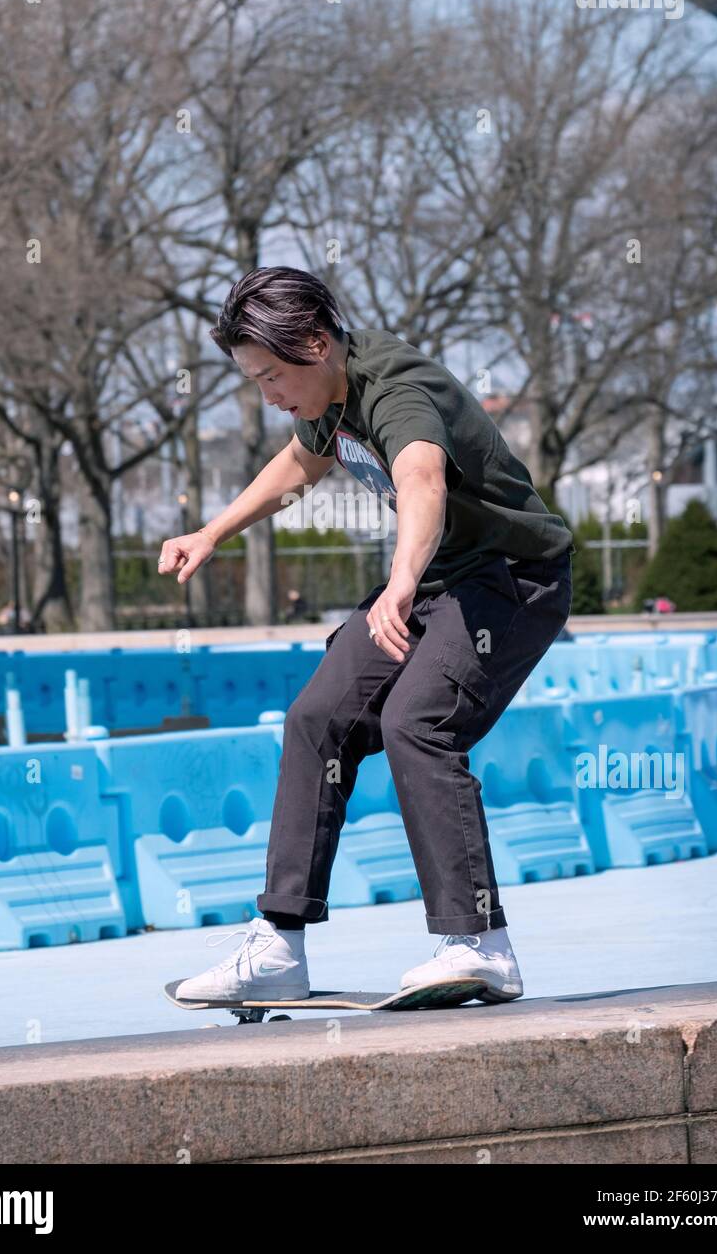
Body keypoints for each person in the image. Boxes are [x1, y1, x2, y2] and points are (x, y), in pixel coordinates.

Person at [158, 266, 575, 1004]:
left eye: (272, 376)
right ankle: (280, 943)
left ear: (317, 343)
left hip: (512, 580)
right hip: (438, 582)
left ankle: (480, 944)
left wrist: (401, 581)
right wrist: (213, 530)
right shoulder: (328, 394)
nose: (269, 396)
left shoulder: (395, 390)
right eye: (255, 381)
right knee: (317, 718)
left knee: (417, 722)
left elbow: (421, 481)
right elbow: (299, 464)